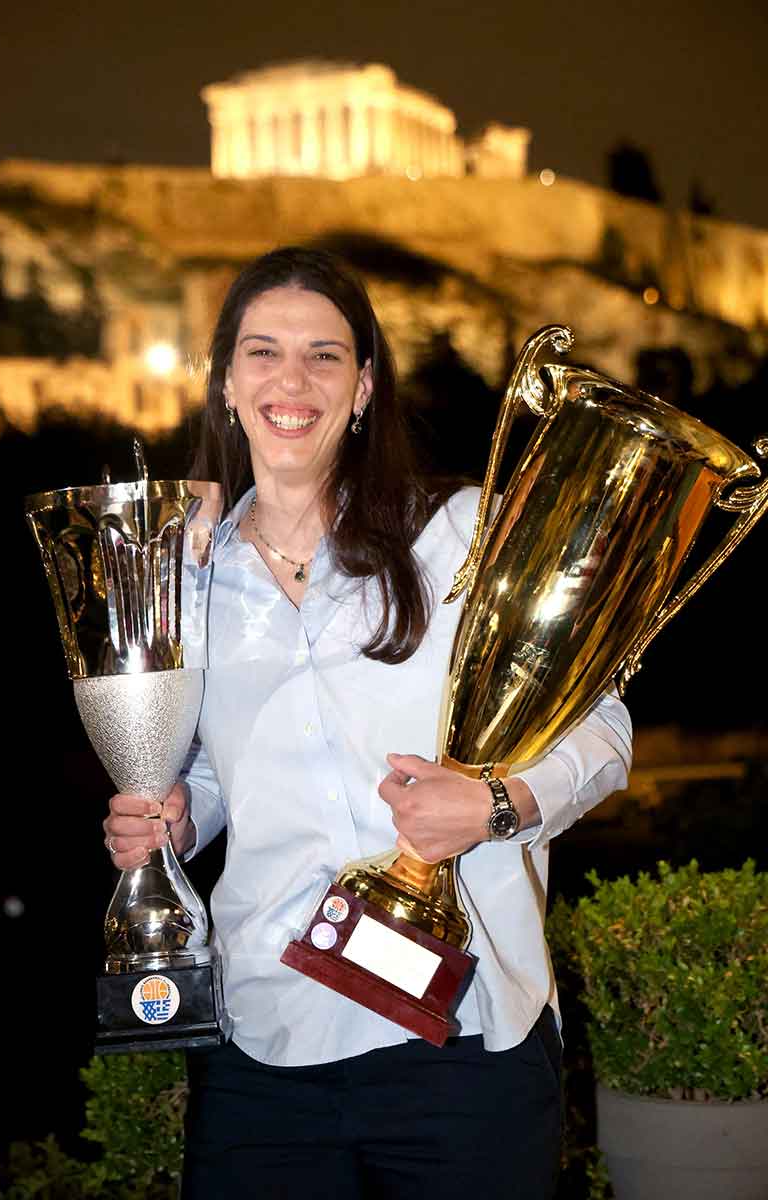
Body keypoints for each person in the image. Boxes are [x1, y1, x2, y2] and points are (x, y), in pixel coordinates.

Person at [104, 246, 632, 1200]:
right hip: (266, 1041)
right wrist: (178, 819)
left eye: (325, 356)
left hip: (462, 1038)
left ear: (363, 388)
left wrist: (497, 806)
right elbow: (220, 773)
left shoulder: (459, 533)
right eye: (263, 353)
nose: (291, 381)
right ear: (226, 382)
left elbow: (602, 728)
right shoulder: (182, 573)